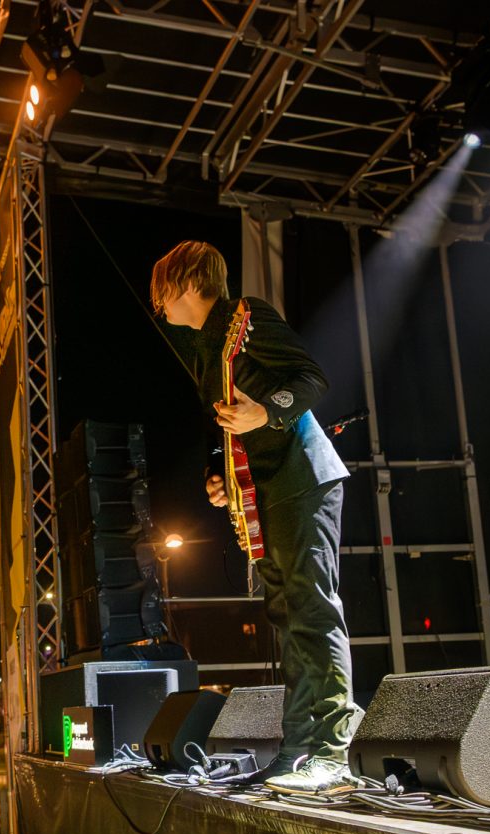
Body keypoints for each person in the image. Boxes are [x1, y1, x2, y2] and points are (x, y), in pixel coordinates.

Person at [152, 239, 364, 794]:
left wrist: (266, 412)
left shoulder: (247, 317)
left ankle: (333, 751)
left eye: (162, 291)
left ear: (187, 282)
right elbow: (221, 426)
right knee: (286, 616)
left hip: (304, 478)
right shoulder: (206, 349)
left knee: (313, 609)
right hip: (263, 491)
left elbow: (311, 378)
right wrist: (217, 475)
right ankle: (298, 750)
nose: (158, 304)